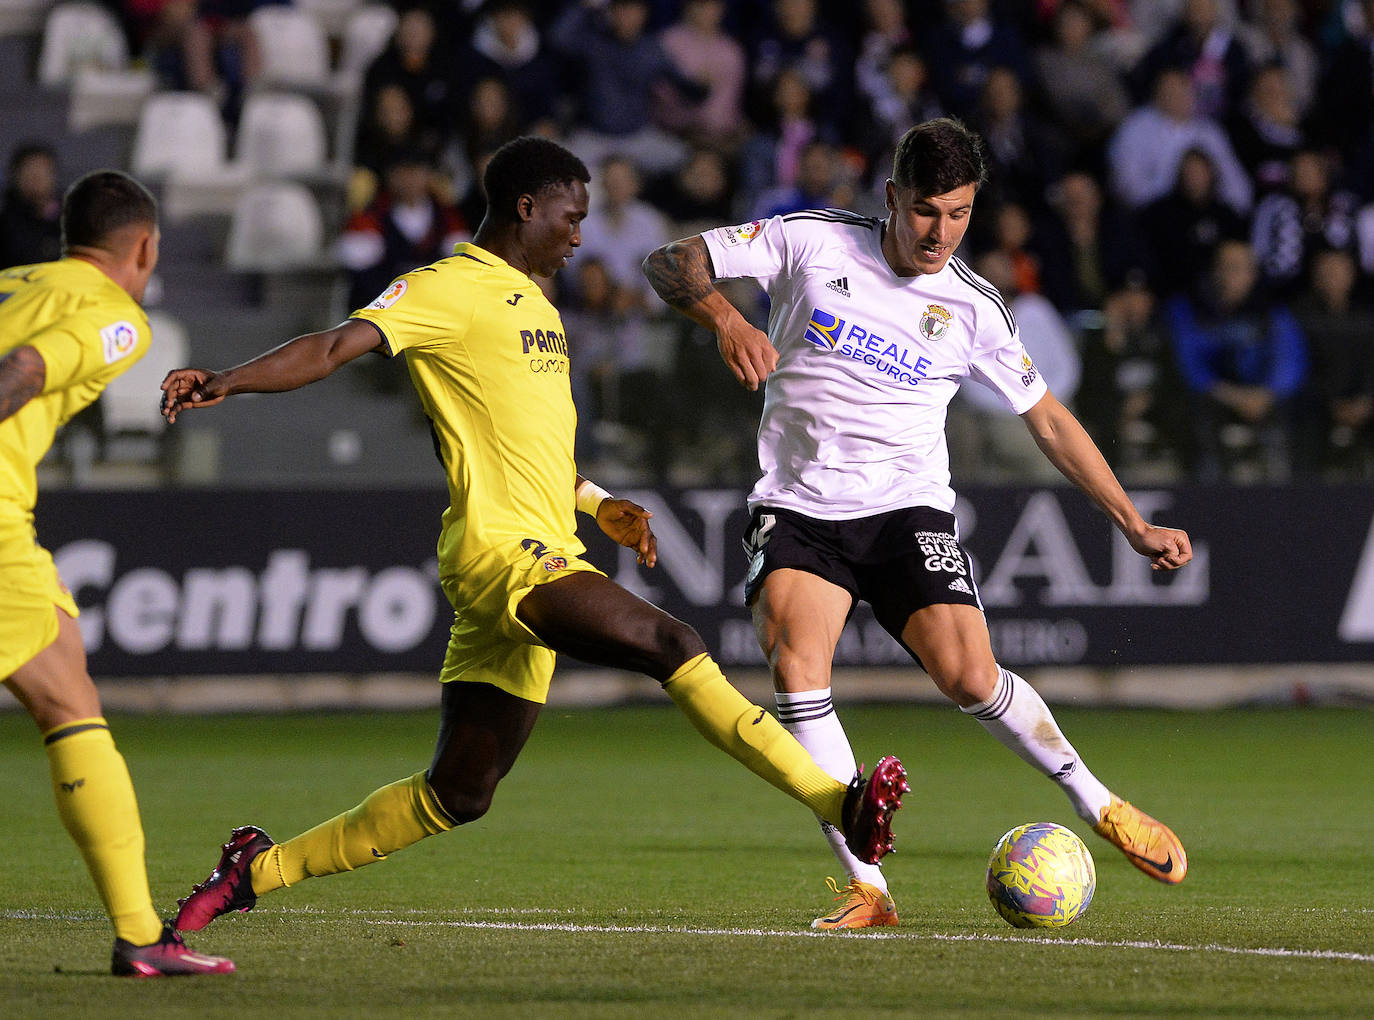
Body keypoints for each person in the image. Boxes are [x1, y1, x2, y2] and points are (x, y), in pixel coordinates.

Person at [161, 136, 906, 938]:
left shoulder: (536, 305)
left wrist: (594, 502)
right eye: (570, 217)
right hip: (503, 555)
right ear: (527, 208)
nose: (579, 236)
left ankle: (253, 869)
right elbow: (336, 346)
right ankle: (840, 800)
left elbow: (520, 438)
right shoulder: (449, 288)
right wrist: (227, 379)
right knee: (672, 641)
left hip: (542, 549)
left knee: (458, 794)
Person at [642, 118, 1192, 932]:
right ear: (893, 197)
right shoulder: (810, 242)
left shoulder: (971, 306)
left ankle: (1097, 802)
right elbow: (669, 261)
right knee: (797, 667)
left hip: (907, 509)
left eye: (961, 214)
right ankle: (870, 889)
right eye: (928, 210)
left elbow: (1049, 422)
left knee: (970, 675)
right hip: (798, 505)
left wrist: (1132, 521)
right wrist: (727, 317)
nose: (942, 233)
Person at [0, 170, 234, 977]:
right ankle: (140, 936)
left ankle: (142, 935)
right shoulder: (116, 317)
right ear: (144, 247)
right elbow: (29, 368)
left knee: (65, 684)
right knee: (68, 696)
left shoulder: (13, 281)